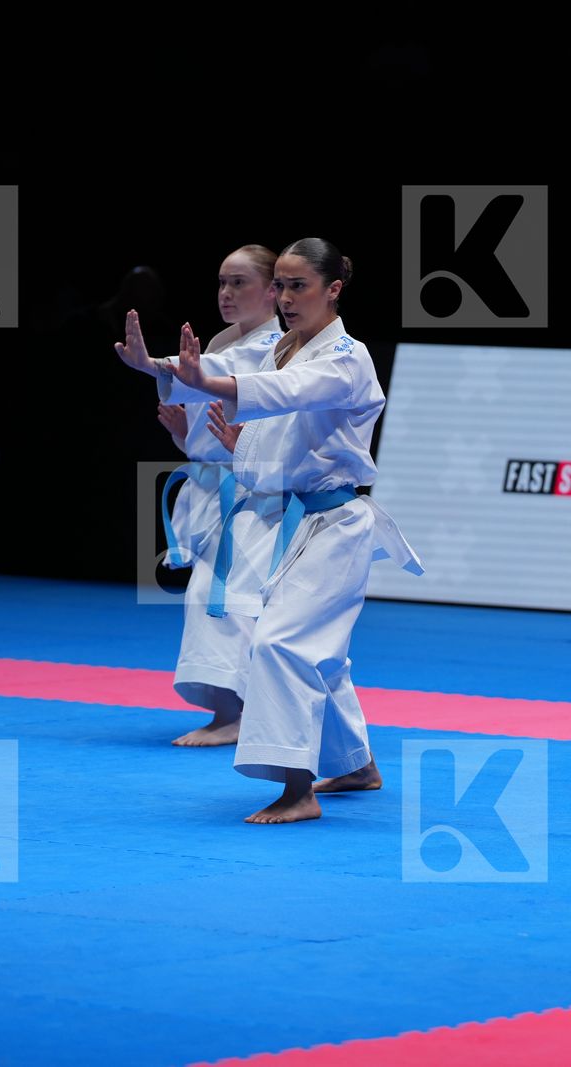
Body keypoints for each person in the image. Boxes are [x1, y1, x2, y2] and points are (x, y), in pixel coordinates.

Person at [160, 238, 423, 823]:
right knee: (318, 654)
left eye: (297, 285)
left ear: (334, 289)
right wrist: (242, 447)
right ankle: (355, 764)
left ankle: (296, 789)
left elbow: (288, 396)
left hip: (335, 526)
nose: (282, 297)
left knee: (281, 644)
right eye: (278, 285)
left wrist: (208, 382)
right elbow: (284, 436)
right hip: (297, 521)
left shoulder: (346, 357)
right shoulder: (287, 348)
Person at [115, 246, 286, 748]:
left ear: (272, 291)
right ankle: (243, 710)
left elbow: (217, 371)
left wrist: (155, 366)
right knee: (223, 599)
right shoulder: (226, 341)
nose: (227, 294)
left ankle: (233, 713)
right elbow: (210, 422)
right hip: (215, 488)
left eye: (239, 283)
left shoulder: (274, 348)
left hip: (257, 494)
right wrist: (184, 438)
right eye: (221, 283)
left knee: (222, 599)